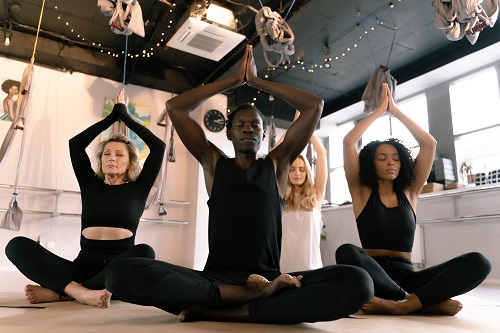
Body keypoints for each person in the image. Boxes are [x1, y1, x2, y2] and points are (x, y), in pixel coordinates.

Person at [105, 45, 373, 324]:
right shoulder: (213, 162)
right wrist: (234, 80)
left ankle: (230, 308)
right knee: (120, 273)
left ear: (264, 133)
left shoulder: (278, 165)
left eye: (255, 126)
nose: (248, 129)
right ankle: (254, 299)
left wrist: (256, 82)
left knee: (358, 281)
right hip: (215, 279)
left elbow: (314, 106)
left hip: (269, 277)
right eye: (241, 125)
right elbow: (176, 107)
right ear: (229, 133)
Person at [336, 82, 491, 316]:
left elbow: (429, 143)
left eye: (396, 158)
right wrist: (379, 111)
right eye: (382, 158)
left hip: (409, 275)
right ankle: (416, 302)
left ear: (402, 164)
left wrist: (395, 111)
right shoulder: (361, 191)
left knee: (479, 262)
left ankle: (404, 304)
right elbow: (349, 142)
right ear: (370, 162)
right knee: (347, 251)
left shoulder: (410, 192)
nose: (390, 162)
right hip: (374, 274)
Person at [5, 89, 166, 308]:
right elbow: (76, 144)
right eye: (106, 153)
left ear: (130, 163)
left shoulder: (138, 188)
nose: (111, 158)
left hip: (115, 267)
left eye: (119, 154)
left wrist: (125, 117)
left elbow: (158, 147)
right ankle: (80, 291)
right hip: (81, 266)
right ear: (100, 161)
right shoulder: (90, 184)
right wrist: (111, 117)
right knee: (16, 245)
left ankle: (65, 292)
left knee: (145, 252)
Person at [276, 111, 327, 272]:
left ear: (307, 173)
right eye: (292, 169)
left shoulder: (316, 196)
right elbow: (276, 152)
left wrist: (307, 124)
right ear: (286, 172)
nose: (297, 173)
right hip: (283, 269)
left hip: (312, 268)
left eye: (302, 170)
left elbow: (322, 153)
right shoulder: (279, 196)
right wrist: (295, 125)